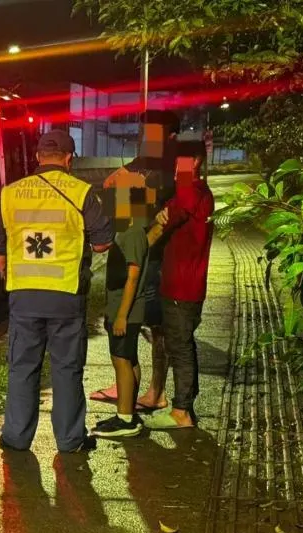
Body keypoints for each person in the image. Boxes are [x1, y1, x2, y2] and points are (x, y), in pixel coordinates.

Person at [0, 129, 114, 453]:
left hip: (24, 296)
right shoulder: (82, 193)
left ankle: (15, 438)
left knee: (22, 367)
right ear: (69, 158)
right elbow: (102, 242)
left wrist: (10, 274)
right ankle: (70, 440)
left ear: (38, 157)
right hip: (65, 296)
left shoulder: (10, 194)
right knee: (67, 369)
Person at [89, 110, 181, 411]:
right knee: (128, 320)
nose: (145, 137)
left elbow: (151, 211)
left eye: (152, 132)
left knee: (154, 324)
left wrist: (130, 193)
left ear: (170, 136)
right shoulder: (144, 164)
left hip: (156, 258)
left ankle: (156, 391)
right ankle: (127, 380)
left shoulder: (173, 168)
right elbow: (116, 189)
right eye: (143, 132)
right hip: (134, 251)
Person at [144, 139, 215, 430]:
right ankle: (181, 405)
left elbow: (162, 226)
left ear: (196, 161)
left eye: (181, 160)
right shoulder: (196, 191)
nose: (175, 166)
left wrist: (135, 253)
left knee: (180, 347)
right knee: (180, 345)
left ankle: (182, 411)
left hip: (181, 286)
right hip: (187, 284)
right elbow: (167, 214)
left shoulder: (190, 190)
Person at [91, 201, 167, 438]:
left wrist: (122, 316)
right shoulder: (131, 232)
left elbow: (133, 277)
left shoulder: (131, 234)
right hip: (122, 308)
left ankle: (125, 419)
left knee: (121, 359)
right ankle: (127, 412)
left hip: (126, 311)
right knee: (129, 359)